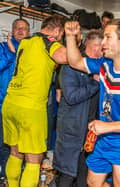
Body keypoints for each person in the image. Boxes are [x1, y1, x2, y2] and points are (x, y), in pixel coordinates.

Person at [64, 19, 120, 187]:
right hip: (102, 139)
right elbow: (75, 62)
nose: (102, 43)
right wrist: (70, 37)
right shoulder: (105, 66)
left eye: (107, 37)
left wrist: (107, 127)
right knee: (93, 183)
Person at [2, 16, 68, 187]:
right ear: (56, 31)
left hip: (10, 102)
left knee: (15, 153)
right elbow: (65, 58)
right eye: (62, 35)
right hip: (30, 107)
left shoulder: (26, 42)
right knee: (34, 159)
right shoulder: (49, 43)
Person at [53, 30, 101, 187]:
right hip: (72, 129)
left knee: (84, 174)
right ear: (86, 43)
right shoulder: (71, 66)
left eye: (102, 47)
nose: (98, 50)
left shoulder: (100, 67)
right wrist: (95, 83)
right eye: (95, 46)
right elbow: (72, 97)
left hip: (91, 129)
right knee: (67, 174)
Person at [0, 18, 30, 183]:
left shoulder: (31, 51)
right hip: (2, 105)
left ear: (28, 33)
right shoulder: (3, 48)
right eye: (17, 28)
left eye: (24, 28)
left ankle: (10, 178)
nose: (20, 30)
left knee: (18, 147)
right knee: (3, 144)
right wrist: (12, 54)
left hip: (22, 107)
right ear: (11, 31)